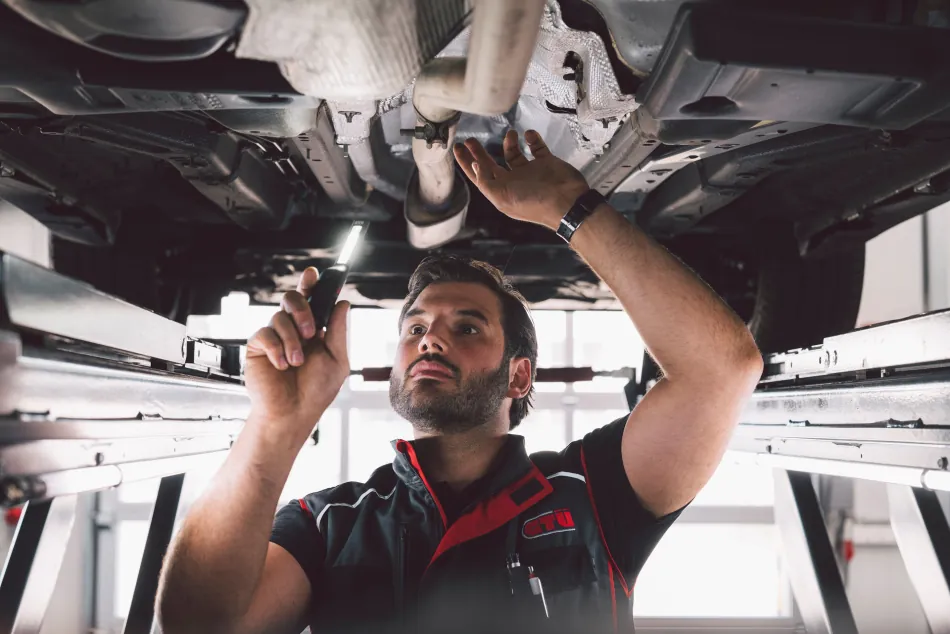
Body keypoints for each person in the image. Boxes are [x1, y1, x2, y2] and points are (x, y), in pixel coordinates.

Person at [156, 130, 764, 634]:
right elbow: (197, 627)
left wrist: (571, 210)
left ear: (519, 374)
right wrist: (275, 426)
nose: (430, 338)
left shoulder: (594, 490)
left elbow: (722, 370)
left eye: (467, 327)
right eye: (415, 326)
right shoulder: (328, 523)